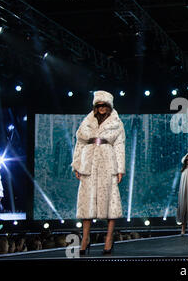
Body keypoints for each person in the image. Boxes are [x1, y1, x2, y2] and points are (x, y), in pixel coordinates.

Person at [71, 90, 126, 255]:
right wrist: (77, 164)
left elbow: (119, 145)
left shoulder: (117, 122)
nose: (101, 107)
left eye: (104, 105)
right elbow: (79, 143)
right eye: (99, 105)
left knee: (110, 202)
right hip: (89, 162)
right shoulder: (87, 121)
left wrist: (120, 169)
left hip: (108, 162)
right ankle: (85, 239)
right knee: (86, 202)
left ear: (109, 106)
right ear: (95, 106)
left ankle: (109, 239)